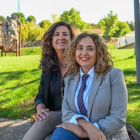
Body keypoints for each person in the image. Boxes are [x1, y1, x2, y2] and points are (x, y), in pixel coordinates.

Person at [50, 32, 130, 140]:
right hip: (77, 131)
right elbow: (66, 111)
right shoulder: (70, 79)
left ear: (99, 52)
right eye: (80, 48)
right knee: (60, 134)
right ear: (74, 52)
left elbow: (118, 118)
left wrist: (90, 131)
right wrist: (83, 123)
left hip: (106, 135)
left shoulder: (114, 75)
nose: (84, 53)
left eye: (90, 49)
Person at [23, 21, 75, 140]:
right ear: (51, 40)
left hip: (74, 116)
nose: (60, 37)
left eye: (65, 34)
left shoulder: (79, 65)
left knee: (46, 119)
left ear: (72, 39)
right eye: (56, 34)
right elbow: (40, 95)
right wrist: (40, 109)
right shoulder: (48, 67)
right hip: (52, 115)